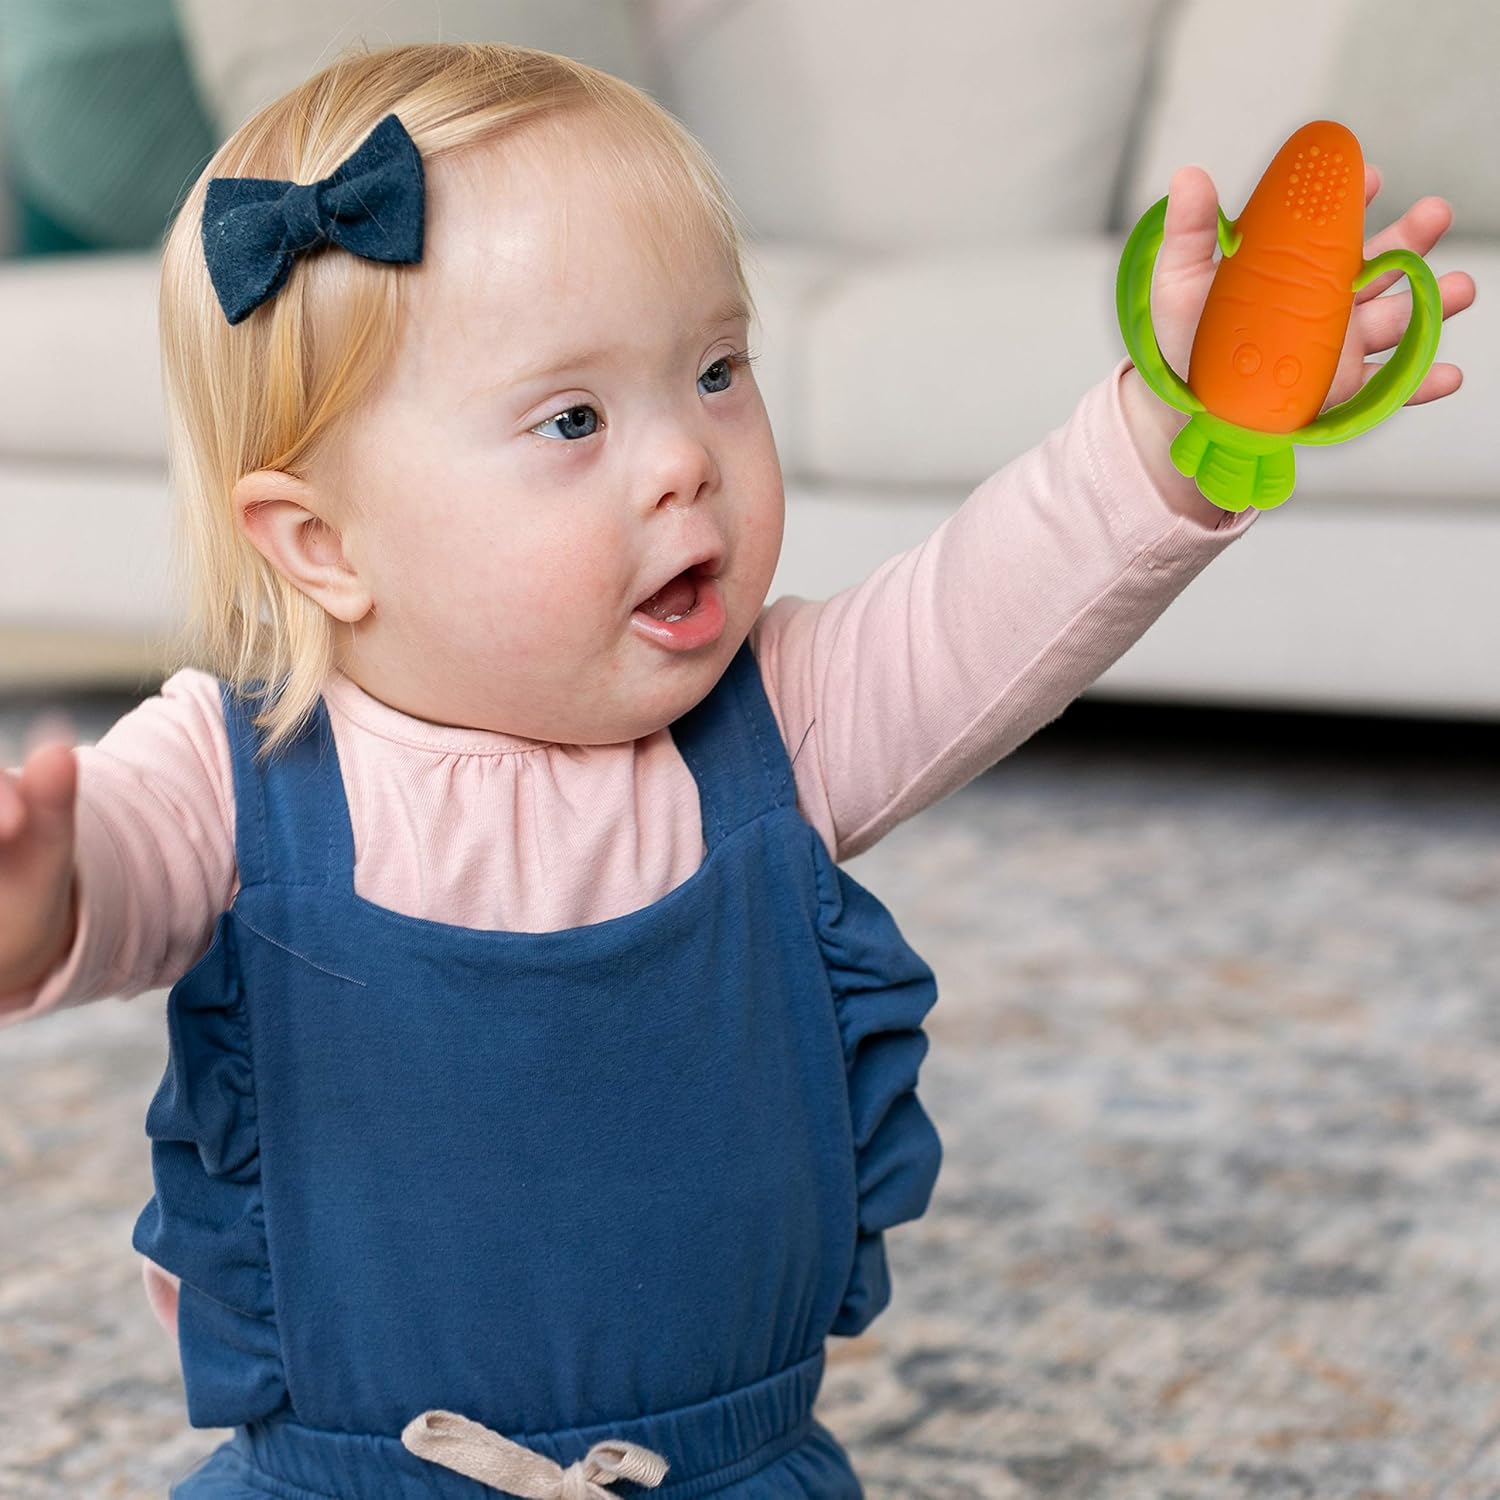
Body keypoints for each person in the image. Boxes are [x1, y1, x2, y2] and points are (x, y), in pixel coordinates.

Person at [0, 41, 1473, 1500]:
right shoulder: (235, 770)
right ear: (322, 543)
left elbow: (996, 595)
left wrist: (1181, 422)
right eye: (573, 420)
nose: (684, 460)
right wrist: (33, 901)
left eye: (715, 373)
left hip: (728, 1471)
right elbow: (110, 868)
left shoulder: (779, 724)